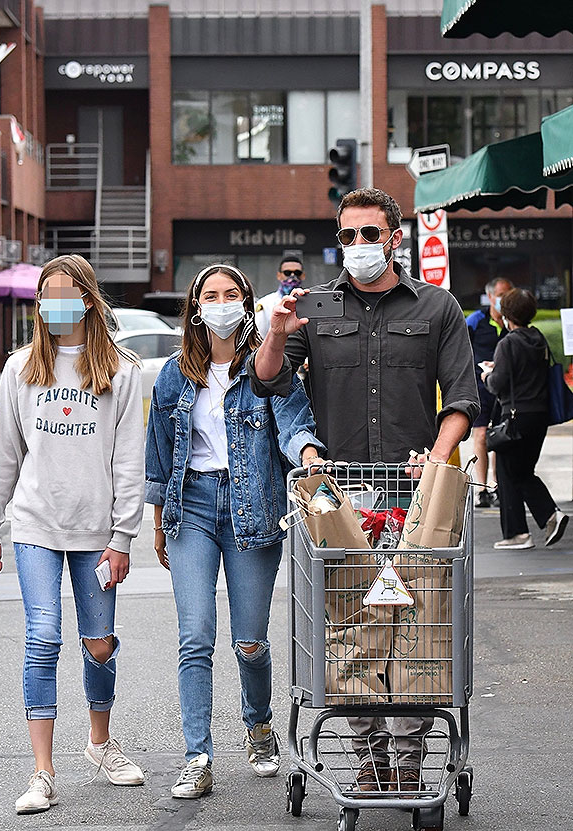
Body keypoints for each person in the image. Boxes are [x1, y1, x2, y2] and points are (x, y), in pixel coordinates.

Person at [247, 187, 480, 794]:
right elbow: (266, 378)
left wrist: (435, 458)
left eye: (368, 234)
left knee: (415, 626)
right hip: (339, 503)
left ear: (394, 238)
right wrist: (274, 331)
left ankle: (407, 753)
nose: (357, 247)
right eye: (347, 236)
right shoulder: (315, 309)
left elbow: (460, 399)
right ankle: (367, 751)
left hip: (412, 501)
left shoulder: (437, 308)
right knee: (349, 622)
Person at [145, 263, 324, 800]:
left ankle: (258, 724)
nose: (220, 304)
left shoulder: (264, 368)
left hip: (253, 507)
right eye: (210, 296)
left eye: (230, 295)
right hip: (191, 508)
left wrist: (310, 458)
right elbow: (158, 456)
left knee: (250, 641)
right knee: (195, 637)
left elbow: (294, 423)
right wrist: (159, 523)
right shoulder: (175, 374)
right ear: (196, 309)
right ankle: (197, 755)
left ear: (247, 304)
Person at [0, 254, 146, 814]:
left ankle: (100, 743)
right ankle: (42, 773)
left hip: (97, 533)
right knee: (43, 638)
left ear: (89, 299)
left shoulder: (121, 372)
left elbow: (128, 463)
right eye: (47, 295)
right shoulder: (22, 367)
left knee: (99, 644)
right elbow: (5, 454)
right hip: (35, 526)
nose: (56, 304)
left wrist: (123, 536)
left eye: (67, 293)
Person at [481, 287, 568, 550]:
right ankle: (521, 532)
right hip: (539, 417)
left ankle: (541, 519)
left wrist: (487, 375)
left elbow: (498, 384)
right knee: (517, 471)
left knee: (512, 473)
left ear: (507, 314)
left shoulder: (507, 343)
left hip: (515, 417)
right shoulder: (538, 338)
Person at [466, 276, 513, 506]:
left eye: (510, 294)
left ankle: (499, 486)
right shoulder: (476, 320)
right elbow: (460, 348)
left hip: (505, 389)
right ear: (491, 296)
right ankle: (482, 490)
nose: (506, 299)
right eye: (502, 294)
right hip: (480, 386)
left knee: (501, 437)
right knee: (482, 435)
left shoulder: (512, 322)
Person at [255, 253, 306, 337]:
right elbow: (259, 335)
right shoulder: (266, 304)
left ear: (303, 276)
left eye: (297, 273)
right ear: (279, 275)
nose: (292, 276)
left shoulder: (311, 302)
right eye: (287, 273)